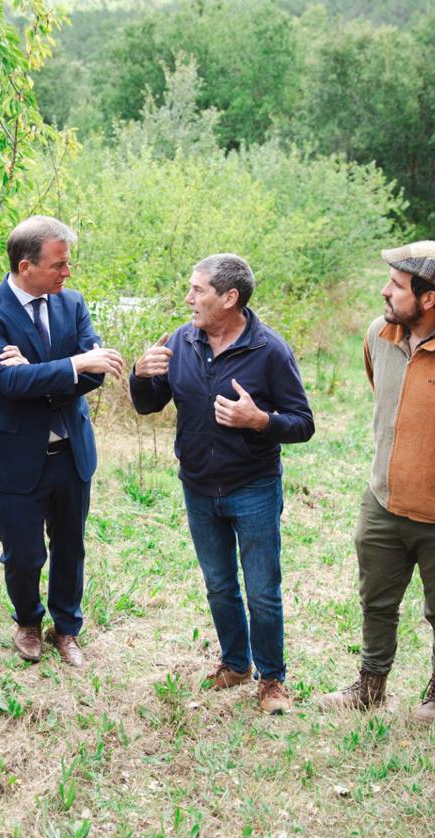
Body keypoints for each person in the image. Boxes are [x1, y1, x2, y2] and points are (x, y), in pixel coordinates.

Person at [320, 241, 435, 723]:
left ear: (429, 298)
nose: (385, 292)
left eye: (397, 286)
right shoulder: (377, 335)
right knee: (375, 600)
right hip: (382, 501)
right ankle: (370, 684)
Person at [130, 254, 314, 714]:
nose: (188, 298)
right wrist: (140, 374)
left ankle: (273, 680)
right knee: (218, 584)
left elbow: (303, 423)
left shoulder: (270, 350)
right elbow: (148, 406)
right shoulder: (181, 340)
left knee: (262, 591)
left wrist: (259, 420)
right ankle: (236, 664)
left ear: (230, 298)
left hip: (252, 487)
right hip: (197, 485)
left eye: (198, 290)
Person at [0, 216, 125, 667]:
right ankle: (28, 623)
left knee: (71, 546)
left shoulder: (72, 305)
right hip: (13, 455)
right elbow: (5, 384)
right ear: (25, 265)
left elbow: (98, 373)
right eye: (59, 264)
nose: (67, 273)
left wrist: (35, 370)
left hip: (71, 450)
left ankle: (67, 629)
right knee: (23, 553)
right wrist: (73, 363)